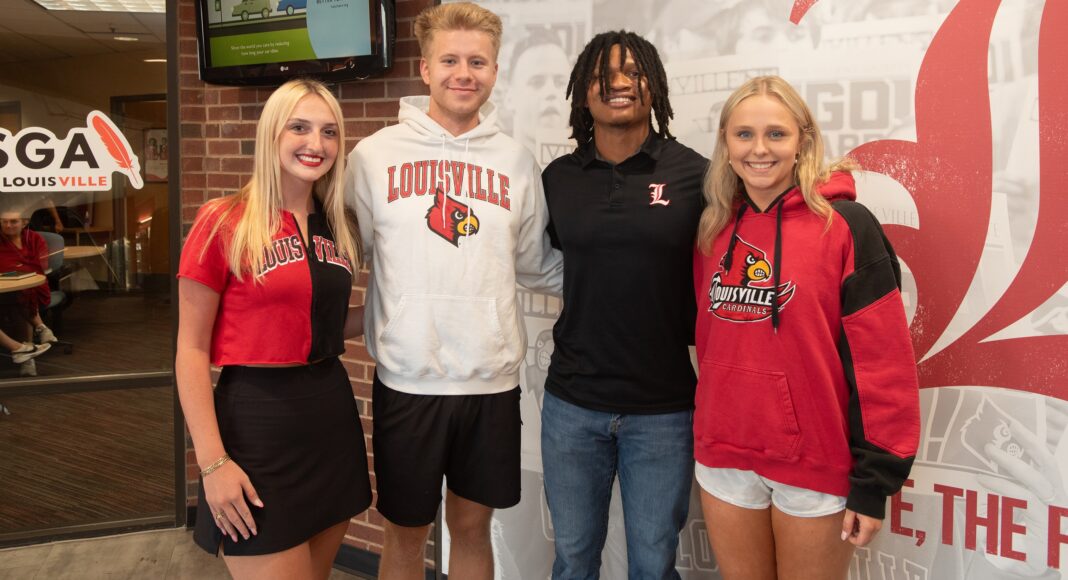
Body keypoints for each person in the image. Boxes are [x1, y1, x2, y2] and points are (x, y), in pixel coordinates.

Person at [344, 3, 562, 579]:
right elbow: (344, 257)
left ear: (494, 71)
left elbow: (536, 265)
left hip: (490, 381)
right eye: (449, 60)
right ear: (424, 69)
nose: (463, 73)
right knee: (405, 534)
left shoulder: (515, 161)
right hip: (407, 378)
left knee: (471, 528)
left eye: (477, 61)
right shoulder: (372, 158)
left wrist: (626, 276)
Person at [692, 75, 920, 579]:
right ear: (726, 143)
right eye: (744, 134)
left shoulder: (846, 225)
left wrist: (874, 481)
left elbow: (883, 365)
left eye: (776, 134)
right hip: (724, 455)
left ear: (803, 142)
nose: (759, 149)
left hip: (815, 464)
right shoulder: (712, 230)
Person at [175, 78, 371, 579]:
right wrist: (213, 463)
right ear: (271, 135)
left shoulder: (338, 224)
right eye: (300, 127)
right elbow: (191, 351)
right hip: (256, 423)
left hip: (330, 414)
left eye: (329, 132)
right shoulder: (223, 221)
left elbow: (322, 327)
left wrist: (395, 311)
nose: (316, 144)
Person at [540, 31, 707, 579]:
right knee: (572, 560)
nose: (618, 83)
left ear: (653, 87)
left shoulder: (695, 175)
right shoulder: (558, 179)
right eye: (602, 74)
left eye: (634, 72)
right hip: (572, 403)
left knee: (654, 565)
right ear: (582, 93)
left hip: (663, 408)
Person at [0, 211, 58, 375]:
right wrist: (16, 268)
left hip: (32, 285)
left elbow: (42, 265)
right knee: (18, 297)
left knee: (21, 296)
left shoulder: (34, 239)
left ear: (24, 222)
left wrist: (17, 268)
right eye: (4, 222)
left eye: (13, 222)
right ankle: (39, 329)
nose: (8, 226)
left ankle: (26, 355)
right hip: (6, 286)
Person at [505, 27, 570, 161]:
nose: (551, 92)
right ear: (509, 98)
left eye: (560, 82)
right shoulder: (482, 170)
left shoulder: (594, 175)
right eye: (536, 82)